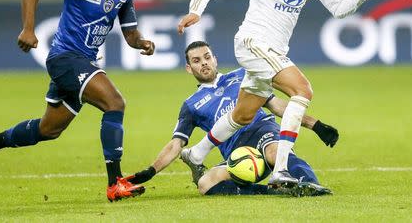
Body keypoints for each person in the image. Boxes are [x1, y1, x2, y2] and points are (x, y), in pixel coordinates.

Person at [177, 0, 380, 189]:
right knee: (303, 90)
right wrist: (196, 9)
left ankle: (195, 153)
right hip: (253, 43)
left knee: (243, 115)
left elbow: (338, 7)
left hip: (274, 51)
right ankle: (281, 170)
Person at [0, 0, 155, 202]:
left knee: (48, 130)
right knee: (115, 103)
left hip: (83, 64)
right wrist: (28, 28)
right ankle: (115, 182)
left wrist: (142, 43)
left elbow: (130, 35)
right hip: (65, 59)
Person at [125, 41, 337, 196]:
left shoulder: (242, 76)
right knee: (206, 183)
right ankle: (272, 192)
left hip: (262, 132)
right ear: (189, 69)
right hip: (238, 155)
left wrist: (315, 125)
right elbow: (176, 144)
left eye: (207, 57)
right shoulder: (190, 105)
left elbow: (276, 105)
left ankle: (310, 185)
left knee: (274, 152)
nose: (204, 63)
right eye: (197, 61)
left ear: (215, 59)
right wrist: (150, 171)